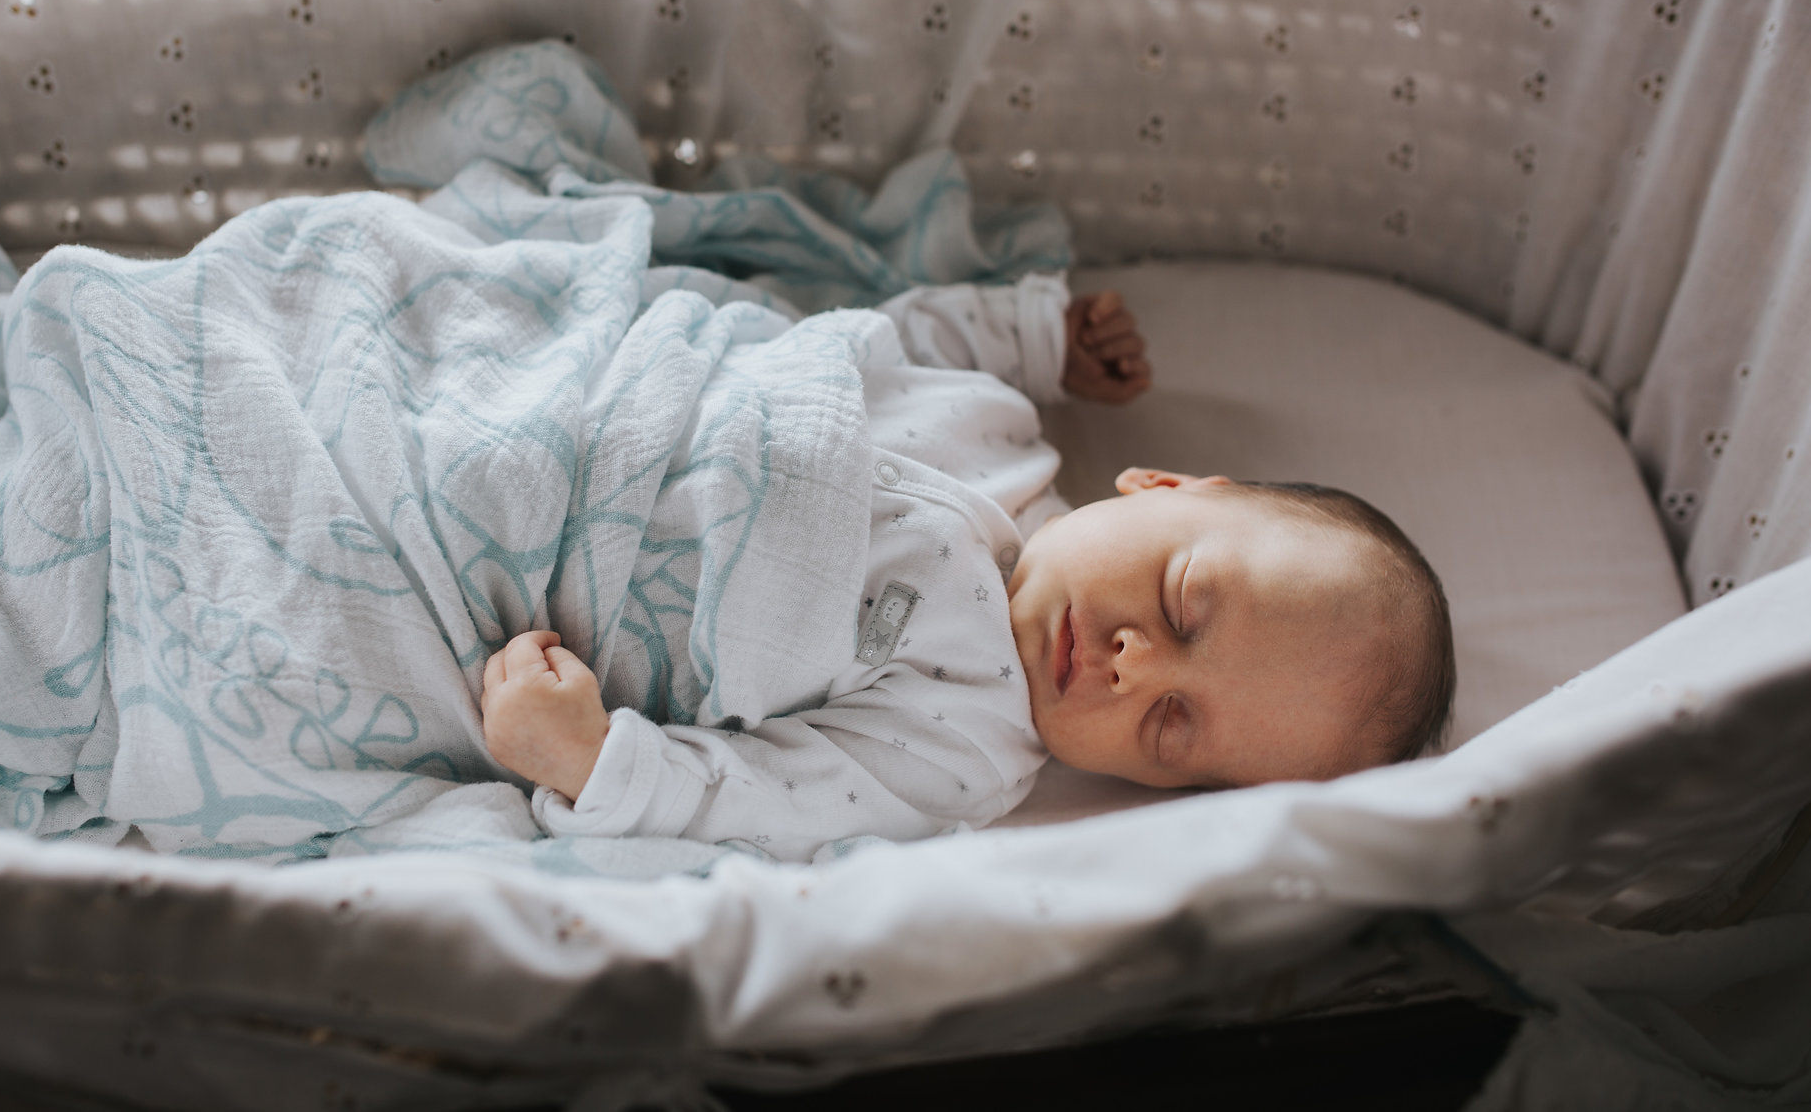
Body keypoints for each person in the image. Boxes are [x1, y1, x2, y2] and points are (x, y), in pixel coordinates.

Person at [478, 277, 1454, 860]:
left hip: (526, 559)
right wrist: (1038, 337)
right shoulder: (1000, 426)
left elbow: (772, 801)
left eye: (1170, 723)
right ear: (1160, 486)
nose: (1135, 666)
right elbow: (888, 333)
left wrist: (594, 762)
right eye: (1181, 605)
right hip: (603, 384)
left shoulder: (964, 753)